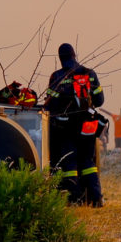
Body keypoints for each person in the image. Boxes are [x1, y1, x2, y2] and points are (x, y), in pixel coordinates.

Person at [44, 43, 106, 207]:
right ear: (74, 55)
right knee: (87, 161)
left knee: (70, 163)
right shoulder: (89, 73)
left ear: (60, 58)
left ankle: (76, 200)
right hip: (87, 126)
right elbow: (99, 101)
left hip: (66, 128)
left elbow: (50, 105)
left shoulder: (57, 76)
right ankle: (96, 199)